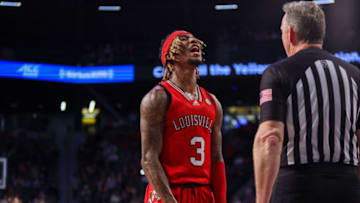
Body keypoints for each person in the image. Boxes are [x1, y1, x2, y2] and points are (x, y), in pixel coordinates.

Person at [253, 2, 360, 203]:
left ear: (291, 33)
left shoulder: (277, 73)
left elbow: (270, 138)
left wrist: (261, 200)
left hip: (298, 186)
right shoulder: (355, 75)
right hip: (347, 188)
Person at [140, 30, 227, 203]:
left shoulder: (213, 102)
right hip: (168, 192)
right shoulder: (157, 98)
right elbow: (149, 159)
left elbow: (217, 159)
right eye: (184, 39)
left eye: (194, 38)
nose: (193, 41)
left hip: (202, 193)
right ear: (171, 54)